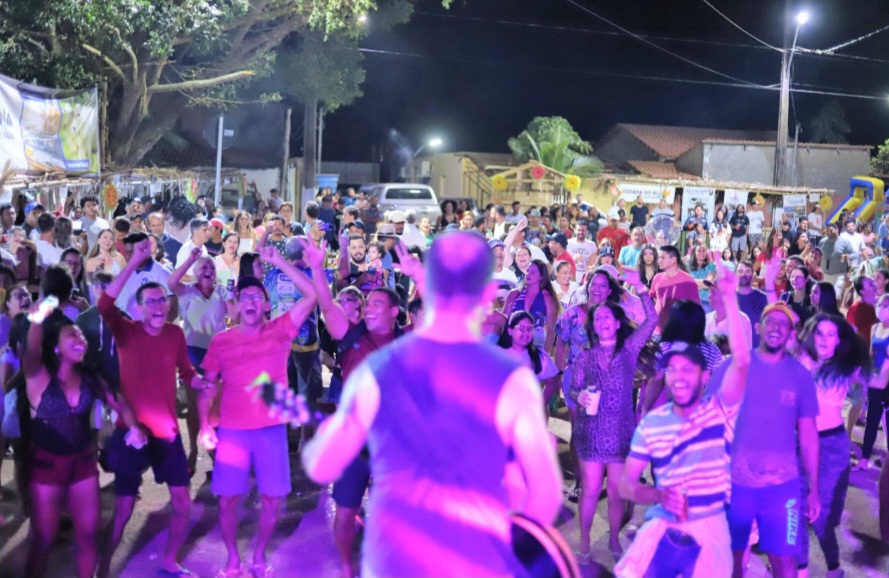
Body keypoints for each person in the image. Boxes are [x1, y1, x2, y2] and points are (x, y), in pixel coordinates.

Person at [302, 231, 563, 578]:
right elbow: (544, 495)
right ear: (489, 297)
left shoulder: (382, 370)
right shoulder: (513, 379)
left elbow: (321, 466)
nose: (367, 309)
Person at [615, 257, 748, 578]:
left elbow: (656, 380)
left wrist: (645, 408)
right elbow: (733, 367)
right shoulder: (711, 349)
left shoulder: (668, 346)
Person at [197, 247, 318, 578]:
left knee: (272, 500)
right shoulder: (221, 341)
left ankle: (259, 555)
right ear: (236, 305)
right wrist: (205, 425)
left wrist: (279, 262)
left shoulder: (280, 330)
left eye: (256, 296)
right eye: (244, 295)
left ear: (265, 304)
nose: (250, 301)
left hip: (271, 431)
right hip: (233, 432)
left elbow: (311, 294)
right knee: (227, 501)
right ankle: (233, 558)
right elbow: (206, 385)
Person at [96, 239, 210, 578]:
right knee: (123, 509)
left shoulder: (175, 334)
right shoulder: (126, 330)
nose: (159, 305)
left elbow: (187, 374)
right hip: (131, 433)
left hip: (167, 434)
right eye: (151, 301)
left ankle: (170, 560)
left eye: (163, 299)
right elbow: (104, 304)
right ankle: (103, 569)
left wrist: (202, 382)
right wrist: (133, 262)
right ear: (140, 308)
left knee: (182, 503)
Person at [22, 308, 144, 578]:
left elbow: (118, 401)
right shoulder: (38, 376)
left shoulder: (90, 378)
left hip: (82, 465)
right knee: (44, 541)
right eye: (72, 335)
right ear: (55, 347)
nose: (81, 339)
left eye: (81, 335)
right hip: (46, 468)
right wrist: (37, 317)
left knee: (89, 538)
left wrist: (134, 427)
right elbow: (31, 350)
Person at [707, 301, 821, 578]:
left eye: (784, 324)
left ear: (792, 334)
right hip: (735, 485)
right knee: (733, 563)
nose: (777, 328)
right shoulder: (734, 367)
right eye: (771, 321)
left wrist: (814, 489)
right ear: (758, 327)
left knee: (785, 565)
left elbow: (808, 436)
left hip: (783, 488)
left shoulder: (801, 377)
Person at [569, 267, 657, 562]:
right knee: (591, 490)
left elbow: (652, 319)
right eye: (598, 318)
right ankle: (583, 540)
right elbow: (572, 390)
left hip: (620, 433)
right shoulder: (586, 356)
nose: (603, 321)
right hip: (591, 433)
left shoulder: (630, 350)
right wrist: (578, 396)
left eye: (608, 317)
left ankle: (614, 539)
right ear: (593, 326)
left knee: (618, 493)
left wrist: (641, 288)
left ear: (618, 324)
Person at [795, 314, 870, 578]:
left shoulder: (846, 367)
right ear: (811, 335)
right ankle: (801, 568)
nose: (825, 340)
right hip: (799, 443)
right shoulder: (799, 361)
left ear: (839, 340)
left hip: (831, 444)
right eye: (820, 334)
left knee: (820, 514)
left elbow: (878, 382)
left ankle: (834, 567)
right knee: (795, 508)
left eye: (831, 335)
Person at [168, 248, 231, 475]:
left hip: (217, 355)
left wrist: (231, 298)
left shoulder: (222, 292)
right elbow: (171, 281)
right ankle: (193, 449)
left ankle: (215, 452)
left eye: (212, 267)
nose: (209, 271)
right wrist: (190, 260)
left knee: (215, 408)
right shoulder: (186, 292)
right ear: (195, 272)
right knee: (195, 409)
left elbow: (235, 317)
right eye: (203, 267)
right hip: (192, 354)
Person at [856, 292, 889, 472]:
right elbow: (870, 354)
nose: (881, 309)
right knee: (872, 421)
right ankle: (864, 459)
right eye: (880, 305)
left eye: (886, 306)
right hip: (875, 380)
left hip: (886, 380)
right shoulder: (874, 327)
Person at [503, 259, 560, 352]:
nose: (528, 274)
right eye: (528, 271)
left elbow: (551, 331)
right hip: (513, 345)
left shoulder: (548, 298)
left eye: (533, 272)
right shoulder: (514, 294)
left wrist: (544, 355)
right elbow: (504, 322)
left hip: (536, 345)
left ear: (541, 276)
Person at [649, 245, 701, 331]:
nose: (658, 260)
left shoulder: (688, 280)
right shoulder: (657, 277)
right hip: (656, 330)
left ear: (673, 260)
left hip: (678, 332)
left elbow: (697, 308)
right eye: (658, 257)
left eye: (662, 257)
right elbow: (654, 299)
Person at [174, 217, 210, 282]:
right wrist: (197, 279)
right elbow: (178, 276)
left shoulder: (204, 248)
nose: (208, 233)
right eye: (205, 230)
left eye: (208, 229)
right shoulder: (186, 249)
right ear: (195, 231)